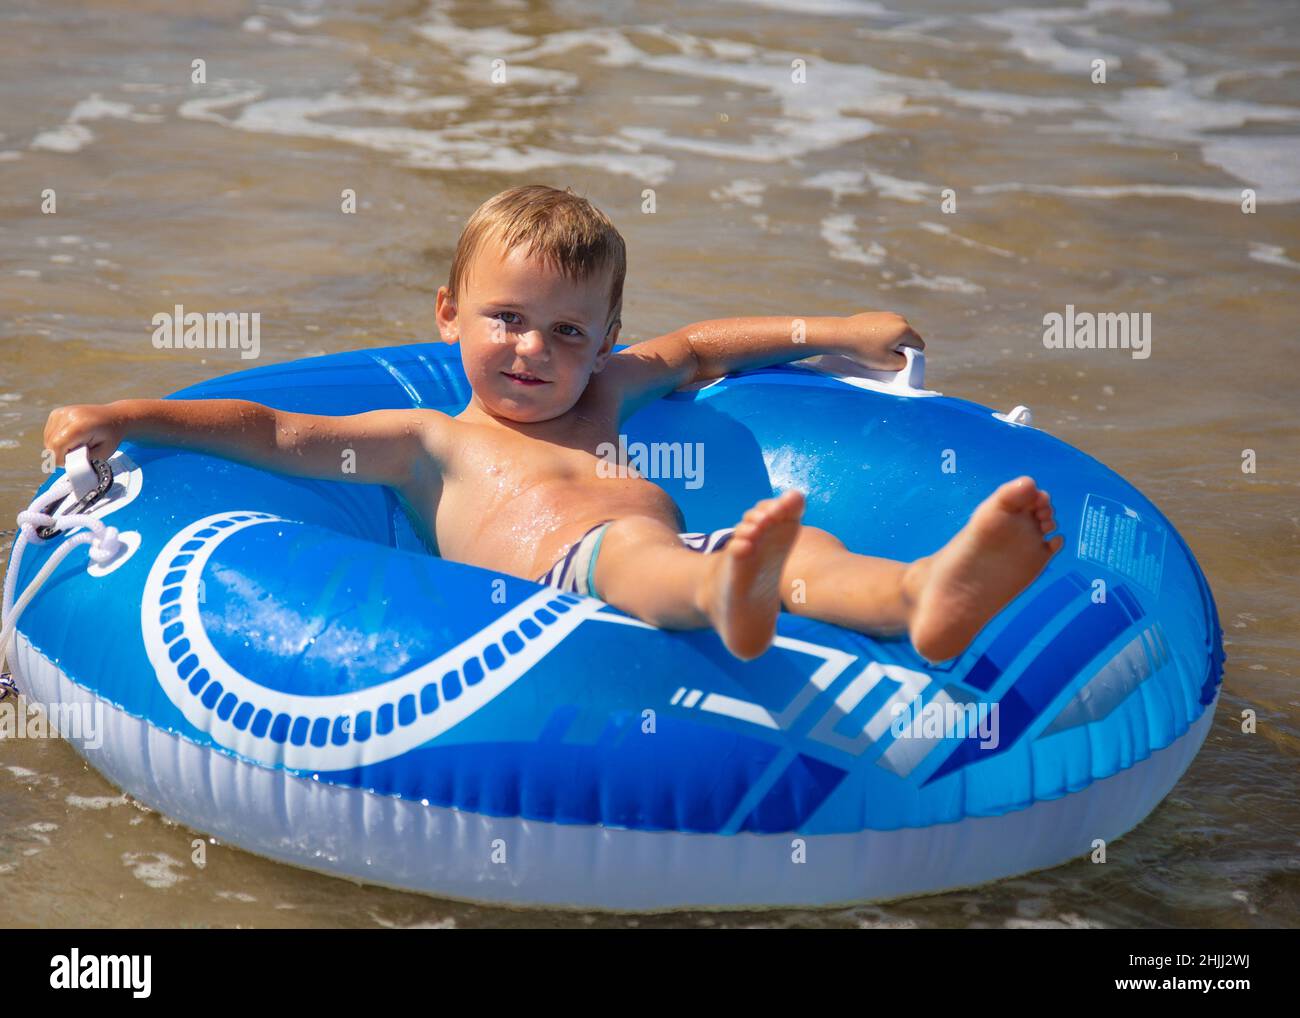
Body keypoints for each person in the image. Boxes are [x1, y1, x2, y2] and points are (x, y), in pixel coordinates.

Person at [44, 184, 1063, 663]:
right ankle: (728, 591)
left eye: (568, 331)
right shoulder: (425, 442)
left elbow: (703, 348)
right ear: (448, 314)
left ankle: (919, 592)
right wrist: (126, 414)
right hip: (577, 573)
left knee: (813, 552)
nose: (534, 350)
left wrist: (833, 327)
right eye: (507, 320)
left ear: (607, 333)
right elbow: (272, 432)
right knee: (632, 554)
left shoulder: (609, 391)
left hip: (694, 543)